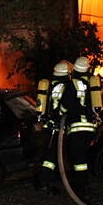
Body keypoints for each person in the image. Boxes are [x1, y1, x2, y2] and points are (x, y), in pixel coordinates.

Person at [63, 56, 100, 199]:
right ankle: (85, 186)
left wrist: (60, 115)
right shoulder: (92, 83)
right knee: (83, 159)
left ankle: (81, 189)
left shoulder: (72, 84)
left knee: (78, 161)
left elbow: (65, 106)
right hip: (90, 128)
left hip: (77, 128)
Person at [36, 60, 71, 193]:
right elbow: (65, 106)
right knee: (51, 157)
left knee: (52, 155)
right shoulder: (66, 87)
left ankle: (49, 181)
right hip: (58, 125)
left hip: (50, 124)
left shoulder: (51, 86)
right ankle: (44, 182)